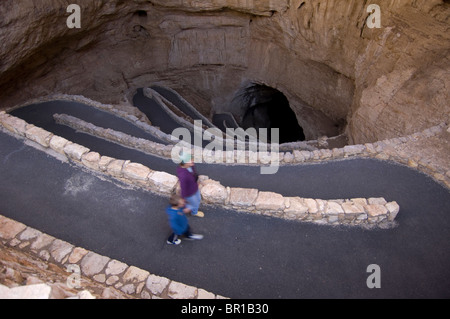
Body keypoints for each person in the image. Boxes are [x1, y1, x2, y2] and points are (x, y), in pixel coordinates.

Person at [177, 152, 205, 218]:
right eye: (190, 160)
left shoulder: (190, 166)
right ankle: (192, 212)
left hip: (194, 187)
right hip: (189, 193)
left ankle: (189, 208)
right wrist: (183, 198)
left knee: (198, 199)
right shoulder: (183, 175)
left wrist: (198, 181)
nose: (192, 161)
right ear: (184, 163)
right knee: (194, 203)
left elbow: (194, 174)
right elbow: (183, 188)